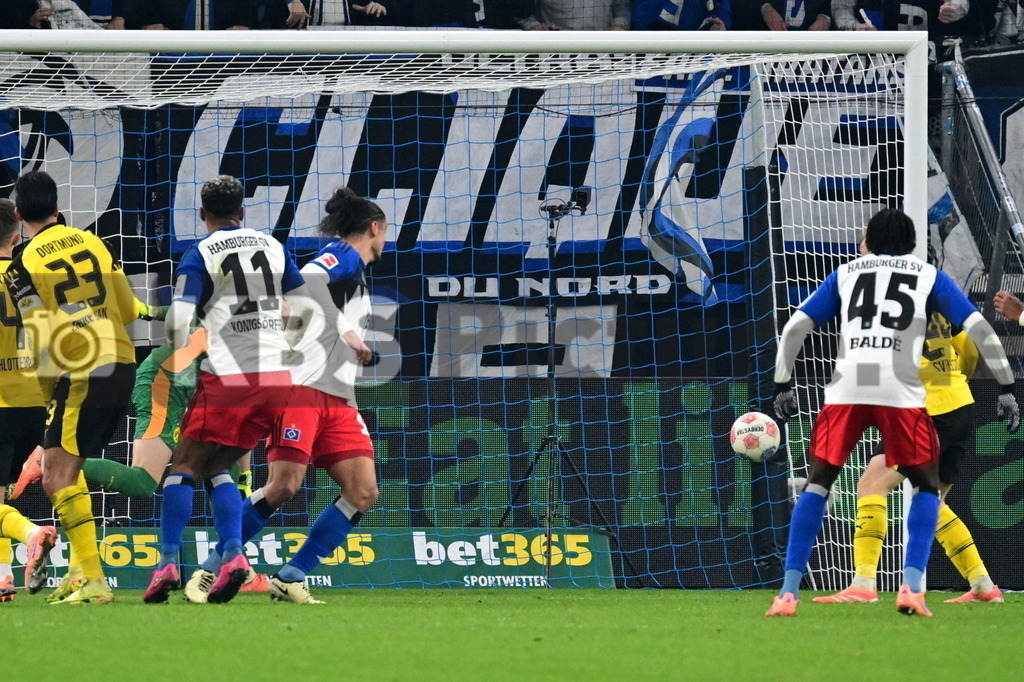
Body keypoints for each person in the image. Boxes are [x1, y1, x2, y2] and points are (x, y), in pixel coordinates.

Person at [768, 208, 1020, 617]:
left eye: (865, 238)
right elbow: (975, 343)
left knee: (862, 483)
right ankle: (978, 584)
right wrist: (1003, 386)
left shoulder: (850, 275)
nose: (860, 244)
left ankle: (854, 584)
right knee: (930, 497)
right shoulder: (930, 285)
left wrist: (782, 383)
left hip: (898, 395)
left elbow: (796, 327)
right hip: (951, 400)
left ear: (873, 241)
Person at [184, 187, 382, 605]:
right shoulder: (343, 252)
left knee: (363, 491)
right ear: (375, 228)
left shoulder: (355, 271)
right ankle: (210, 569)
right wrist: (345, 328)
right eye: (385, 232)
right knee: (282, 487)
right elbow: (309, 278)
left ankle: (292, 575)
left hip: (338, 397)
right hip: (302, 388)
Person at [143, 175, 309, 605]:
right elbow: (307, 309)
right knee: (220, 463)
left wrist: (183, 360)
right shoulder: (273, 246)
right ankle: (234, 555)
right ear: (243, 211)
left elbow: (179, 319)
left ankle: (167, 562)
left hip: (229, 376)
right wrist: (285, 343)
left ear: (202, 214)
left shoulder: (201, 252)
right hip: (277, 380)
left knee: (183, 465)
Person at [4, 171, 163, 605]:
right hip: (122, 358)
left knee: (55, 474)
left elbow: (38, 335)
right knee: (67, 470)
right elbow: (129, 307)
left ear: (19, 215)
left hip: (79, 368)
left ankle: (94, 579)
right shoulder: (92, 241)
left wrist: (44, 395)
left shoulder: (22, 266)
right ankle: (79, 572)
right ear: (57, 207)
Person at [813, 313, 1003, 604]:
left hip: (925, 412)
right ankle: (983, 585)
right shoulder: (935, 302)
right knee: (932, 502)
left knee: (871, 485)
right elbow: (968, 347)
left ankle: (863, 585)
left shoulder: (879, 313)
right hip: (959, 403)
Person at [0, 197, 58, 602]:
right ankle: (2, 576)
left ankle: (32, 534)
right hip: (36, 403)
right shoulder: (30, 280)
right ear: (17, 236)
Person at [517, 0, 632, 30]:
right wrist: (534, 26)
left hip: (602, 49)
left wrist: (620, 25)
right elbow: (519, 10)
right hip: (554, 52)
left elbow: (621, 5)